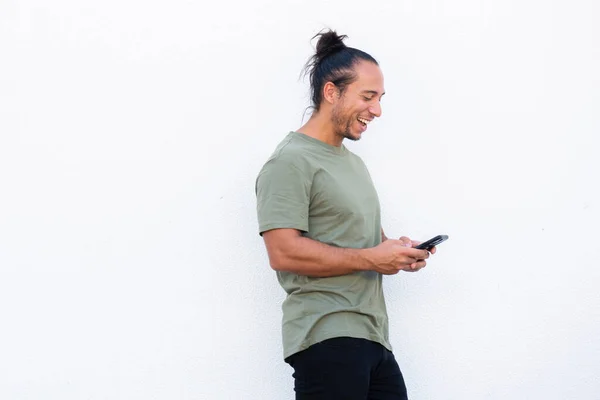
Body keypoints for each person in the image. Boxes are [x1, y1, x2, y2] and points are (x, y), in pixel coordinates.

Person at [255, 30, 437, 399]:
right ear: (332, 92)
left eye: (380, 98)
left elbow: (365, 243)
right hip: (326, 335)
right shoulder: (290, 161)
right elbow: (283, 252)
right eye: (367, 97)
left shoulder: (352, 164)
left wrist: (398, 251)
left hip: (373, 337)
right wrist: (371, 257)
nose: (377, 110)